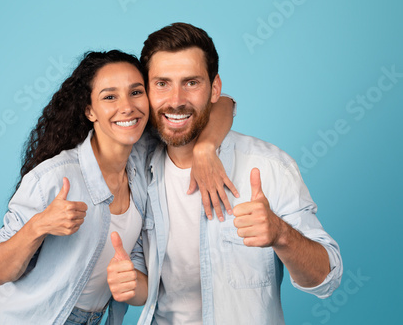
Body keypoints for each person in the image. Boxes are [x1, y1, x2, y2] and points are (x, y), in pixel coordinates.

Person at [0, 49, 235, 325]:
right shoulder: (55, 177)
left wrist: (206, 148)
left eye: (136, 92)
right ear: (90, 110)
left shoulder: (143, 160)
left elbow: (224, 103)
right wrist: (39, 225)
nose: (127, 107)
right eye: (110, 97)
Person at [129, 23, 343, 324]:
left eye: (191, 83)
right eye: (162, 83)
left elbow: (327, 278)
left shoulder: (268, 166)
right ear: (146, 90)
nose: (176, 100)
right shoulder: (137, 168)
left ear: (215, 88)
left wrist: (281, 234)